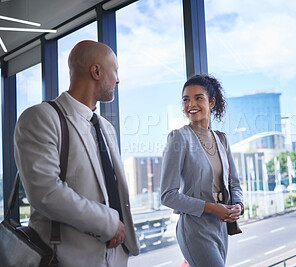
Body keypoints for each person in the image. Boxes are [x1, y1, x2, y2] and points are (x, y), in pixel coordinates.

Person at [14, 40, 139, 266]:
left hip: (116, 257)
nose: (118, 79)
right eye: (115, 70)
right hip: (66, 259)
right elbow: (46, 193)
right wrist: (110, 223)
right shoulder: (40, 117)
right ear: (97, 71)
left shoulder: (106, 127)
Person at [161, 74, 244, 267]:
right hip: (195, 228)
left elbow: (235, 183)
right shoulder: (179, 138)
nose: (191, 104)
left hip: (221, 227)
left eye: (198, 98)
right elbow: (168, 196)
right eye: (186, 99)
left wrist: (239, 205)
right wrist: (212, 208)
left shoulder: (221, 139)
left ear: (211, 102)